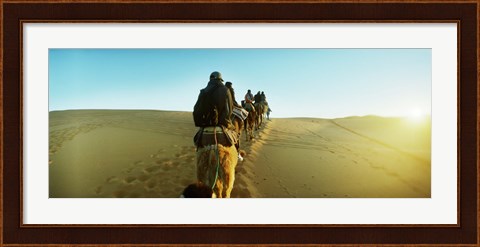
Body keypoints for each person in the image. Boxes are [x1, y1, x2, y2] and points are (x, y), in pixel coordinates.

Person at [193, 71, 241, 161]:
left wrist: (202, 123)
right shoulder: (225, 90)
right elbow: (229, 110)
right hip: (222, 124)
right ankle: (237, 155)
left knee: (197, 141)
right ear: (220, 79)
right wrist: (225, 123)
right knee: (235, 134)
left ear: (210, 79)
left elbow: (197, 109)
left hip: (205, 125)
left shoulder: (203, 91)